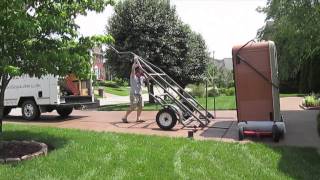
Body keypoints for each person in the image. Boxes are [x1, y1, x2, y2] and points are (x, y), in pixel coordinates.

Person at [122, 56, 146, 123]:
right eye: (140, 71)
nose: (141, 72)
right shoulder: (133, 76)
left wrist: (154, 75)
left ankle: (138, 118)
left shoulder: (141, 77)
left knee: (141, 106)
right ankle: (125, 117)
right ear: (137, 72)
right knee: (133, 107)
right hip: (134, 94)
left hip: (139, 94)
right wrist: (135, 61)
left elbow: (147, 77)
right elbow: (133, 69)